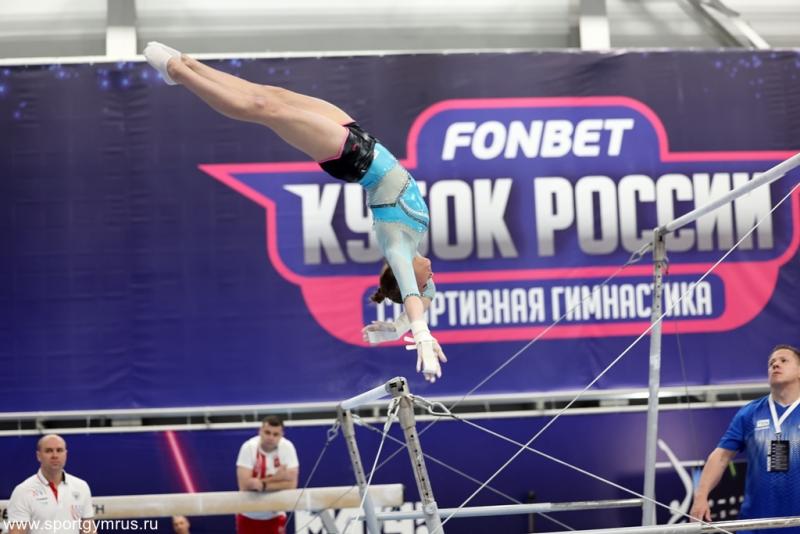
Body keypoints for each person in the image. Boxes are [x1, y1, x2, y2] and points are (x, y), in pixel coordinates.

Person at [143, 42, 447, 382]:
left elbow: (412, 296)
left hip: (352, 158)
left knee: (264, 109)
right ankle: (191, 65)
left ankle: (179, 73)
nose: (432, 277)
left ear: (405, 276)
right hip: (362, 137)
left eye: (425, 281)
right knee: (271, 94)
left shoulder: (398, 247)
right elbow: (424, 296)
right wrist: (396, 329)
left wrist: (421, 335)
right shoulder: (417, 256)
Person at [690, 344, 800, 532]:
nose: (775, 365)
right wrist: (700, 496)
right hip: (754, 524)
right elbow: (721, 457)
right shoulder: (749, 413)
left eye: (783, 361)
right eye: (771, 363)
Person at [6, 434, 95, 534]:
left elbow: (89, 530)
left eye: (59, 450)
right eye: (49, 451)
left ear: (65, 454)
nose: (55, 455)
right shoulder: (23, 491)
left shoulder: (81, 487)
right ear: (39, 456)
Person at [235, 416, 299, 534]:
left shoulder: (287, 447)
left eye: (275, 434)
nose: (271, 437)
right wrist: (277, 478)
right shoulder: (248, 447)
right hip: (248, 514)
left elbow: (292, 485)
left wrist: (263, 484)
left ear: (281, 435)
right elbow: (244, 485)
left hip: (275, 514)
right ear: (260, 431)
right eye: (267, 432)